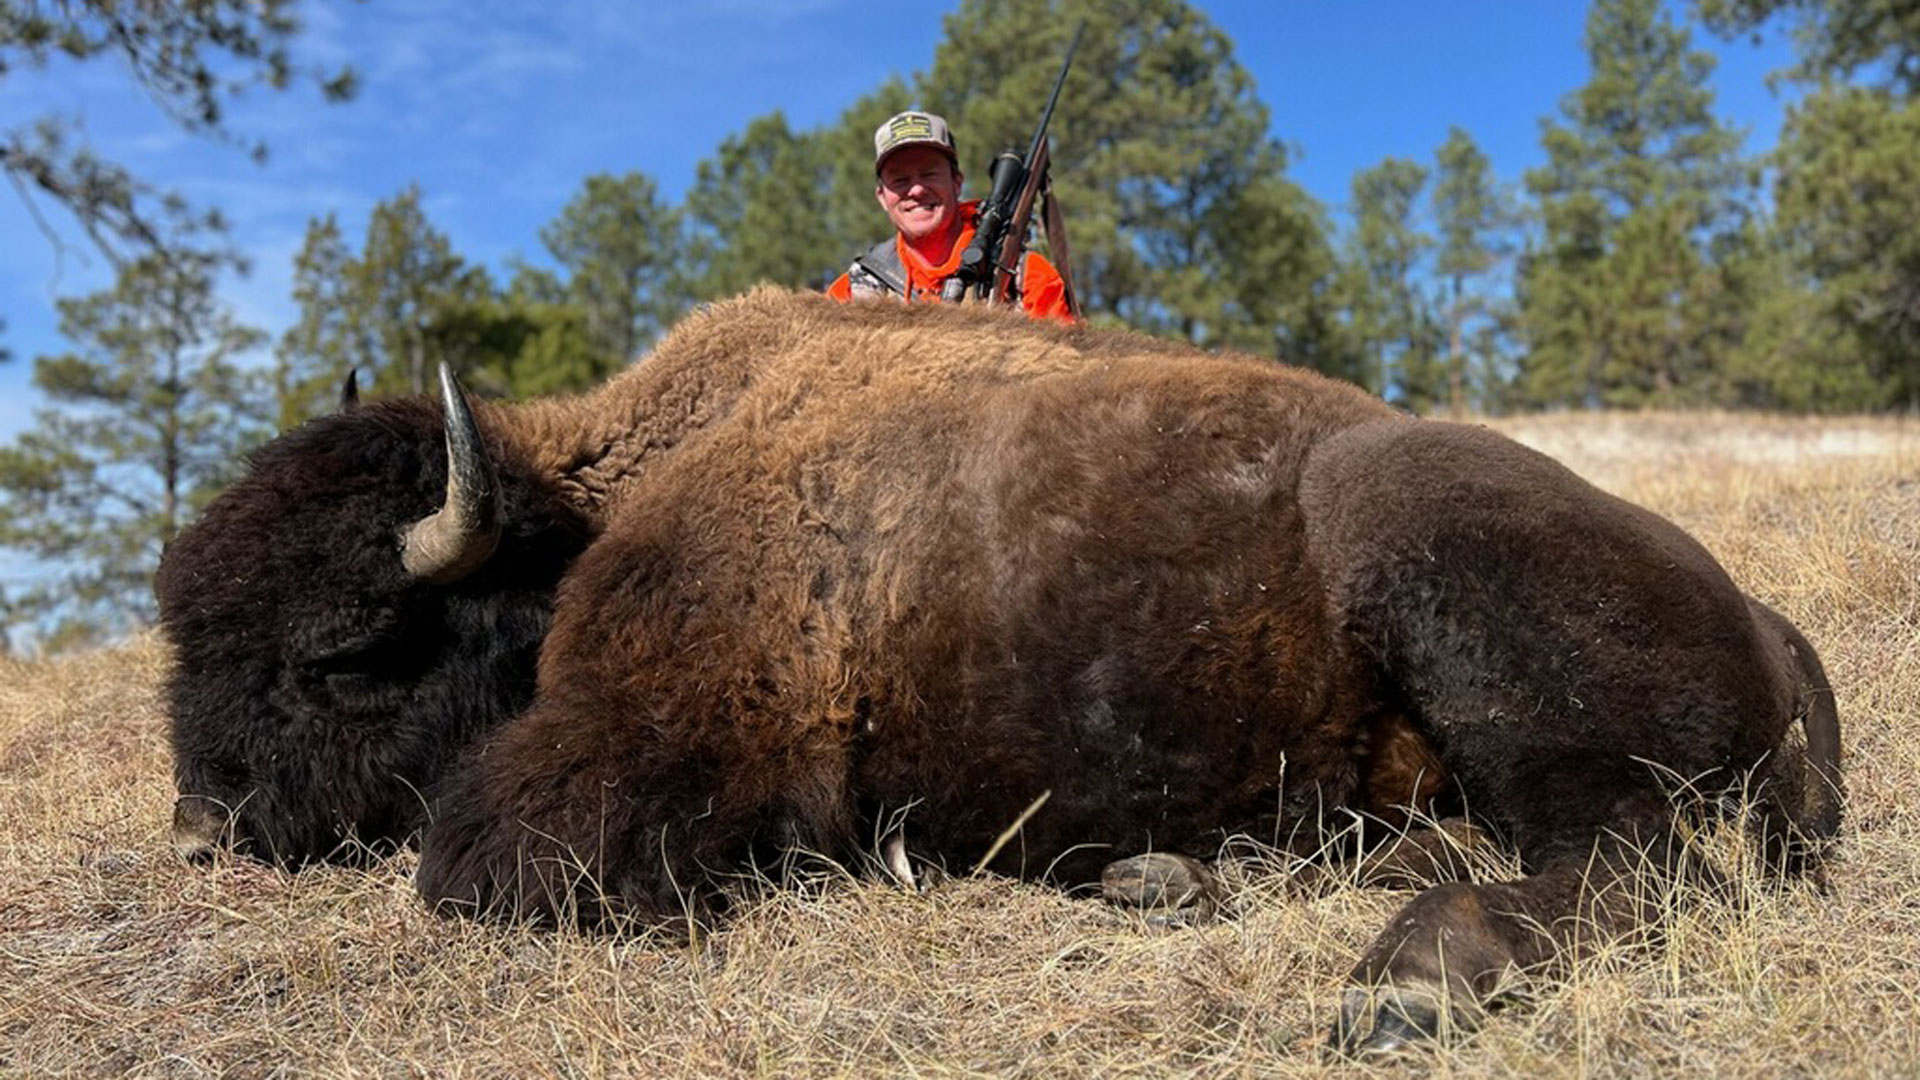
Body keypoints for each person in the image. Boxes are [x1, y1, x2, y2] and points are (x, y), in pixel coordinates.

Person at [828, 110, 1074, 323]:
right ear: (882, 197)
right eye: (900, 180)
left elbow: (1068, 365)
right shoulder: (853, 291)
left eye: (929, 174)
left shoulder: (1024, 275)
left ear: (957, 183)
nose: (916, 190)